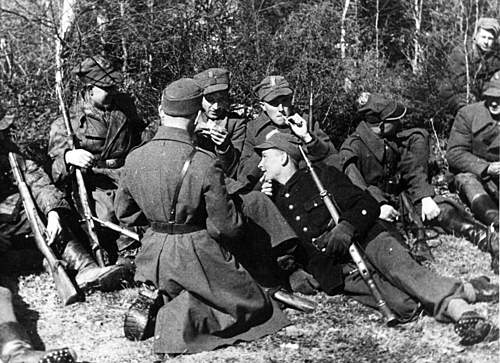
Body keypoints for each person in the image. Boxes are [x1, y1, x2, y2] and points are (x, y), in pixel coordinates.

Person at [256, 131, 499, 346]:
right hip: (339, 269)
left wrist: (346, 227)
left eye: (264, 157)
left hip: (368, 239)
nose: (259, 164)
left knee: (405, 274)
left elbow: (365, 204)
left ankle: (464, 314)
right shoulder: (275, 203)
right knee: (404, 306)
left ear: (283, 157)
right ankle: (469, 289)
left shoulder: (320, 175)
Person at [114, 78, 289, 356]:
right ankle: (174, 316)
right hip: (193, 256)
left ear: (163, 110)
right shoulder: (204, 162)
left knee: (187, 283)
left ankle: (162, 294)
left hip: (151, 258)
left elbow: (125, 213)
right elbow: (226, 228)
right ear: (197, 116)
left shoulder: (135, 158)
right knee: (255, 305)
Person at [340, 92, 498, 271]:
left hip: (403, 201)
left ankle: (489, 240)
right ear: (381, 125)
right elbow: (355, 188)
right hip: (375, 210)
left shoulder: (391, 138)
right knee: (390, 245)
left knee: (445, 210)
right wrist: (378, 206)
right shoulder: (351, 148)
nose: (400, 123)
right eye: (395, 120)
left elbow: (413, 162)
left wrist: (424, 196)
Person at [0, 106, 81, 363]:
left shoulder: (9, 151)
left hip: (10, 226)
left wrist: (53, 212)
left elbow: (37, 179)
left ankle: (84, 267)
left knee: (52, 222)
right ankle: (16, 351)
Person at [48, 55, 148, 261]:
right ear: (89, 89)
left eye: (113, 87)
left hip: (128, 174)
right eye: (106, 88)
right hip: (97, 184)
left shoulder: (125, 105)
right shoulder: (70, 122)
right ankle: (120, 253)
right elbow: (55, 172)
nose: (112, 92)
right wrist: (68, 156)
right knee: (107, 217)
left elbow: (140, 134)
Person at [236, 75, 338, 191]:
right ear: (263, 106)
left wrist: (307, 137)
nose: (281, 108)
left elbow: (333, 158)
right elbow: (243, 176)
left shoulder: (305, 122)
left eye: (285, 101)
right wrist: (266, 148)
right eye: (273, 103)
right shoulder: (253, 129)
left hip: (308, 190)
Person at [446, 72, 499, 256]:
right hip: (472, 172)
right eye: (490, 97)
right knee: (469, 182)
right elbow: (454, 153)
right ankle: (495, 222)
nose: (494, 103)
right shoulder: (468, 114)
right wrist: (487, 167)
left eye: (499, 98)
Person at [193, 68, 246, 178]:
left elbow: (234, 171)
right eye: (210, 100)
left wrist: (224, 147)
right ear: (200, 99)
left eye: (221, 99)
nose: (216, 107)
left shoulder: (236, 124)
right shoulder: (190, 120)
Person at [440, 17, 500, 116]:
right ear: (476, 36)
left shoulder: (495, 56)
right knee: (469, 109)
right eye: (483, 37)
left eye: (490, 38)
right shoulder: (462, 53)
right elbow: (461, 84)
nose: (486, 42)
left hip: (482, 94)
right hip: (456, 95)